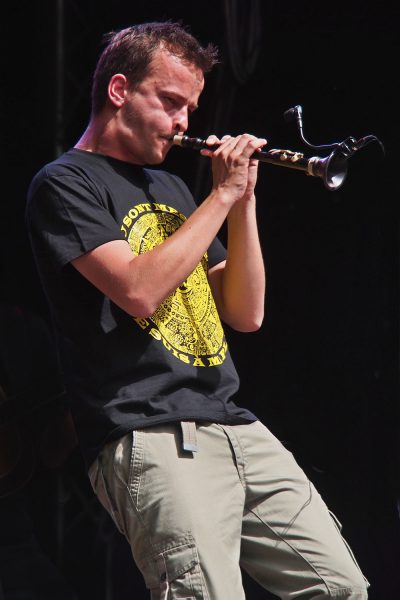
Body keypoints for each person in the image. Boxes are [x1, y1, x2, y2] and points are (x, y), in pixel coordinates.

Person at [26, 21, 369, 600]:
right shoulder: (65, 185)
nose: (185, 121)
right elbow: (138, 290)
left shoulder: (174, 190)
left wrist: (244, 202)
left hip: (233, 424)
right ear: (118, 91)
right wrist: (223, 195)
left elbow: (245, 311)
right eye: (170, 102)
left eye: (191, 106)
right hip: (151, 430)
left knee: (340, 587)